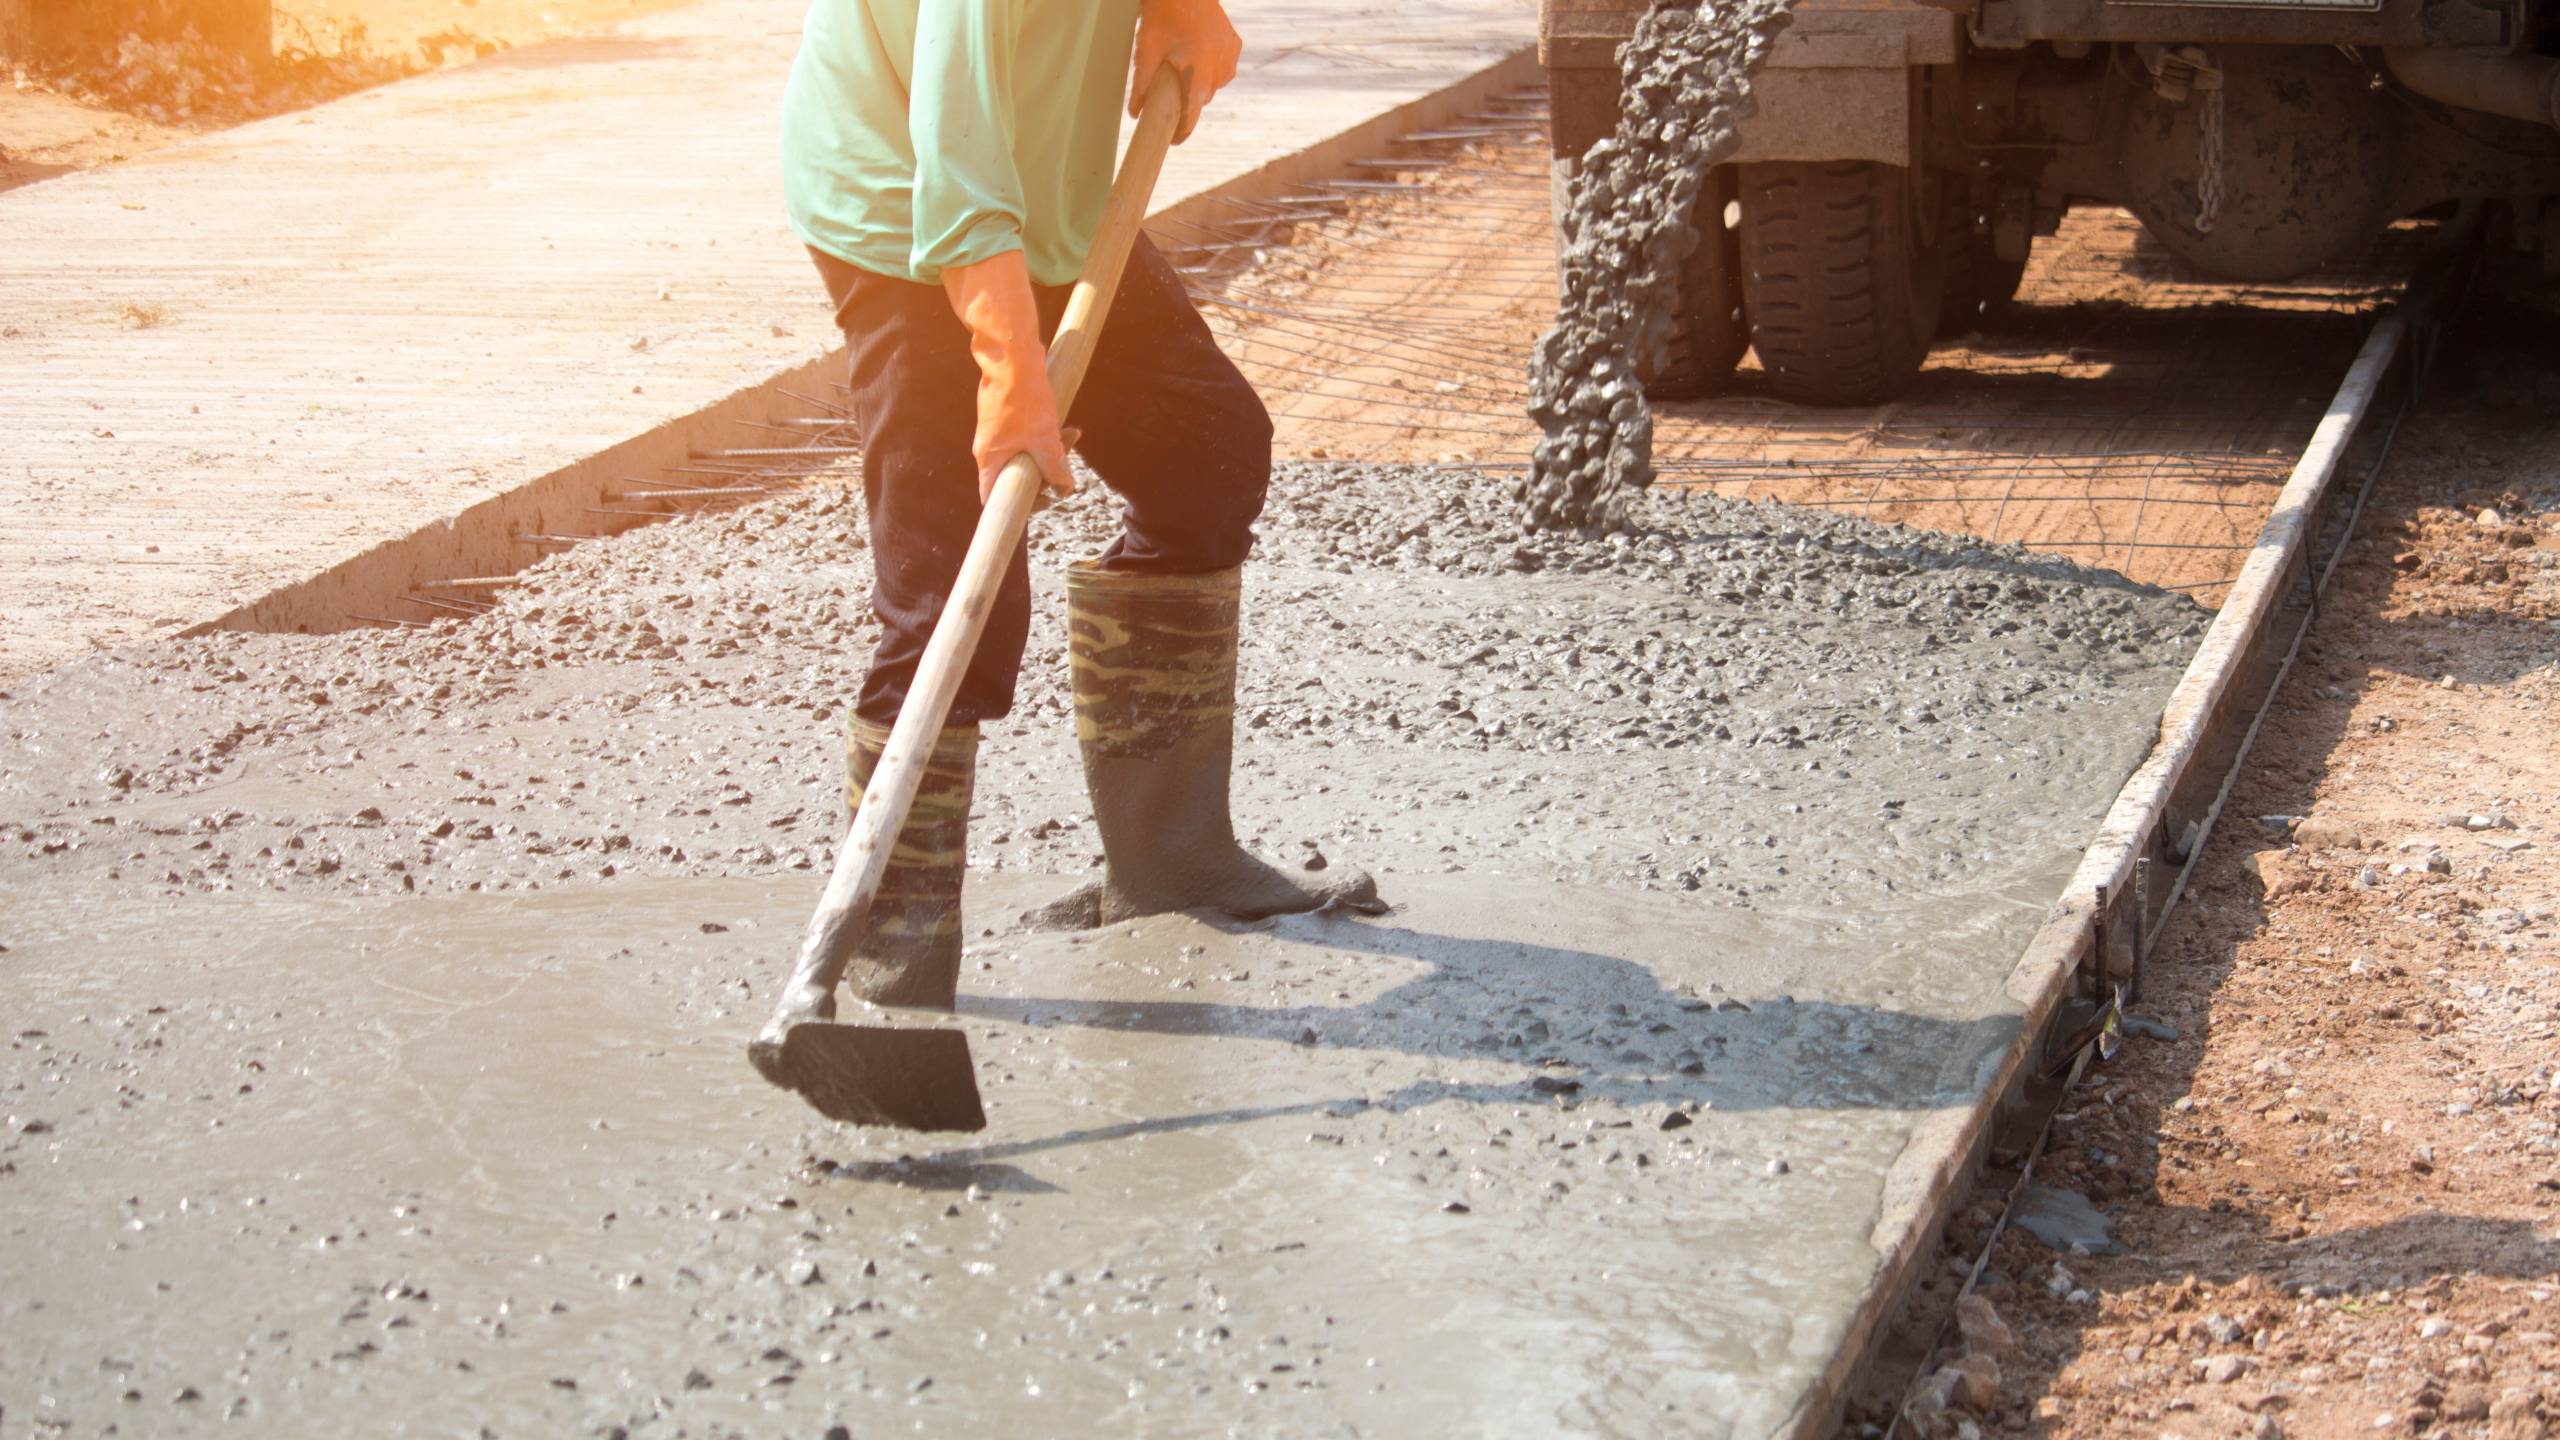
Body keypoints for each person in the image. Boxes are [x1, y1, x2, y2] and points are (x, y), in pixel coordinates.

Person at [777, 0, 1383, 1015]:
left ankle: (1171, 858)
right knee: (953, 592)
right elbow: (957, 180)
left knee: (1208, 453)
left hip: (1040, 191)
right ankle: (895, 949)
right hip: (910, 211)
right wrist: (1013, 379)